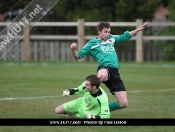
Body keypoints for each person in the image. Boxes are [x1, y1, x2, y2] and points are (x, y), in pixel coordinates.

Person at [70, 21, 148, 112]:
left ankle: (99, 110)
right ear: (99, 31)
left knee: (123, 104)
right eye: (105, 31)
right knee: (101, 76)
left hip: (115, 72)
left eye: (109, 32)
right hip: (104, 67)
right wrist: (73, 50)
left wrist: (138, 30)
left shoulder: (111, 38)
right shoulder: (92, 43)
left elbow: (124, 36)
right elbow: (78, 56)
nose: (108, 34)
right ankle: (80, 90)